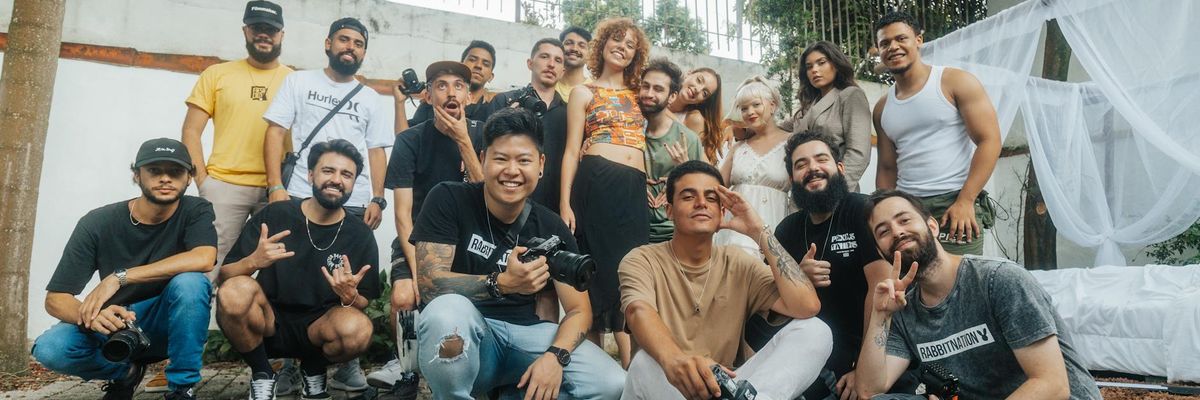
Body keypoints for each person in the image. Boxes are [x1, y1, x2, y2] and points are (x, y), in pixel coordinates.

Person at [411, 108, 626, 399]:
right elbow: (429, 284)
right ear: (483, 159)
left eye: (524, 160)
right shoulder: (449, 198)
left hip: (525, 337)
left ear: (540, 165)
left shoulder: (551, 227)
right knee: (445, 314)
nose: (512, 171)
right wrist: (502, 283)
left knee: (613, 383)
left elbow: (578, 310)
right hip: (472, 338)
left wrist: (555, 357)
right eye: (501, 158)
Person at [856, 190, 1101, 399]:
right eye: (883, 231)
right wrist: (880, 315)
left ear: (932, 226)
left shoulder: (998, 280)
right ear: (880, 251)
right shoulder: (902, 306)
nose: (897, 232)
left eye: (904, 220)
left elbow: (1052, 385)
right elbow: (869, 390)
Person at [620, 160, 832, 400]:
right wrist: (678, 362)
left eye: (711, 198)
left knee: (816, 330)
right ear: (669, 211)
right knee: (644, 363)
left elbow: (807, 306)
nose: (701, 203)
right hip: (667, 384)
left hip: (727, 389)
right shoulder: (641, 259)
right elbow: (638, 312)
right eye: (688, 197)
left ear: (722, 212)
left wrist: (758, 230)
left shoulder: (738, 262)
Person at [32, 138, 217, 400]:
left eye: (175, 171)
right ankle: (125, 373)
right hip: (114, 326)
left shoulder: (195, 209)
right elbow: (55, 299)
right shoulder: (97, 222)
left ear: (189, 178)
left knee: (191, 282)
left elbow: (204, 258)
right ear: (136, 175)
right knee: (50, 348)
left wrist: (119, 277)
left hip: (165, 321)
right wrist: (94, 317)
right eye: (154, 170)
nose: (165, 178)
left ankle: (181, 389)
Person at [260, 17, 389, 391]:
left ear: (363, 52)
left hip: (354, 201)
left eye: (358, 43)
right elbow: (275, 132)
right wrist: (275, 186)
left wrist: (377, 197)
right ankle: (289, 361)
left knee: (346, 281)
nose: (351, 47)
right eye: (344, 39)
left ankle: (347, 364)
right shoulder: (299, 82)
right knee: (289, 276)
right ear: (328, 43)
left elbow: (376, 150)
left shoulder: (370, 98)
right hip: (300, 194)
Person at [217, 139, 381, 400]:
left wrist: (350, 296)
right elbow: (224, 277)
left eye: (346, 174)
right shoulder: (276, 215)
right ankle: (262, 373)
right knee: (233, 292)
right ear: (311, 175)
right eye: (328, 170)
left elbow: (363, 301)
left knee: (359, 329)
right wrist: (253, 262)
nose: (336, 180)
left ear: (353, 183)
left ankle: (313, 370)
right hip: (269, 320)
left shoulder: (359, 234)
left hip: (320, 326)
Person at [369, 60, 484, 396]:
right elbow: (403, 215)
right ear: (429, 96)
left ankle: (472, 368)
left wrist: (463, 141)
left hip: (470, 242)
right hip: (419, 240)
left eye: (458, 85)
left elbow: (487, 197)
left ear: (468, 95)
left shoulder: (483, 134)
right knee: (405, 296)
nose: (451, 92)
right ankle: (405, 368)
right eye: (441, 85)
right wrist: (420, 271)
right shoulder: (410, 140)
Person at [758, 132, 894, 400]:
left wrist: (863, 366)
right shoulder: (787, 229)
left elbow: (882, 291)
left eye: (821, 159)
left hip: (867, 353)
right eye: (801, 165)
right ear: (792, 180)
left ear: (840, 169)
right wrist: (796, 277)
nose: (813, 168)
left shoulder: (862, 210)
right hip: (810, 353)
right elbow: (764, 303)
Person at [559, 17, 651, 368]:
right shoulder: (583, 92)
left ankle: (633, 371)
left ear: (636, 54)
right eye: (617, 39)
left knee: (632, 273)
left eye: (630, 45)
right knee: (595, 276)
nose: (622, 47)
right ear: (603, 44)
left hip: (632, 189)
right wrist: (565, 202)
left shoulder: (641, 93)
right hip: (595, 184)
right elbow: (571, 150)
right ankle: (598, 370)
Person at [873, 11, 1001, 255]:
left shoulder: (955, 81)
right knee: (913, 277)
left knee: (960, 276)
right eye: (885, 43)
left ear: (918, 40)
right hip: (907, 208)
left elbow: (990, 140)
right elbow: (887, 168)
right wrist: (885, 211)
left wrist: (966, 200)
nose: (893, 47)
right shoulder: (881, 108)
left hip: (954, 203)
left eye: (901, 38)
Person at [181, 0, 292, 279]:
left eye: (271, 29)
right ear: (245, 31)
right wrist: (203, 180)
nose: (264, 34)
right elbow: (191, 131)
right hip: (224, 185)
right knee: (209, 267)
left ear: (282, 34)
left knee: (279, 269)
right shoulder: (217, 74)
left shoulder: (295, 81)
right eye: (257, 27)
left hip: (277, 188)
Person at [478, 38, 568, 213]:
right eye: (544, 57)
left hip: (552, 209)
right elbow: (485, 151)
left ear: (563, 71)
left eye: (558, 60)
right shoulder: (505, 101)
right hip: (503, 203)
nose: (551, 64)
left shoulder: (569, 113)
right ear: (530, 63)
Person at [715, 76, 795, 256]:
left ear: (772, 105)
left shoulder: (792, 142)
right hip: (734, 232)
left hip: (773, 223)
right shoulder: (738, 148)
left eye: (756, 105)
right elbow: (717, 186)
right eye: (744, 108)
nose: (750, 112)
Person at [779, 41, 872, 192]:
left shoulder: (850, 95)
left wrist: (836, 191)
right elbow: (775, 127)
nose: (814, 70)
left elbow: (859, 153)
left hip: (838, 192)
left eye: (821, 63)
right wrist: (744, 130)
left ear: (836, 64)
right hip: (805, 192)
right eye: (809, 67)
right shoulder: (808, 107)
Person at [639, 58, 705, 244]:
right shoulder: (626, 130)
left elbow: (700, 191)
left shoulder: (688, 139)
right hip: (631, 230)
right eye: (646, 86)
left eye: (658, 89)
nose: (649, 94)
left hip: (672, 236)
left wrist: (683, 169)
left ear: (672, 96)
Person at [408, 40, 498, 125]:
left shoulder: (495, 110)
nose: (478, 65)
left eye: (486, 64)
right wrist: (400, 102)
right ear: (461, 65)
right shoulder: (432, 103)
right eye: (472, 59)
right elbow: (408, 134)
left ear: (491, 77)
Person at [666, 68, 725, 164]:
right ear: (688, 74)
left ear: (702, 101)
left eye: (704, 93)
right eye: (699, 80)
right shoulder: (656, 92)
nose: (698, 89)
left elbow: (699, 159)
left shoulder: (694, 119)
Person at [555, 26, 592, 102]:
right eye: (568, 43)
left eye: (582, 46)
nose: (574, 48)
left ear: (589, 55)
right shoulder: (547, 84)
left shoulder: (594, 90)